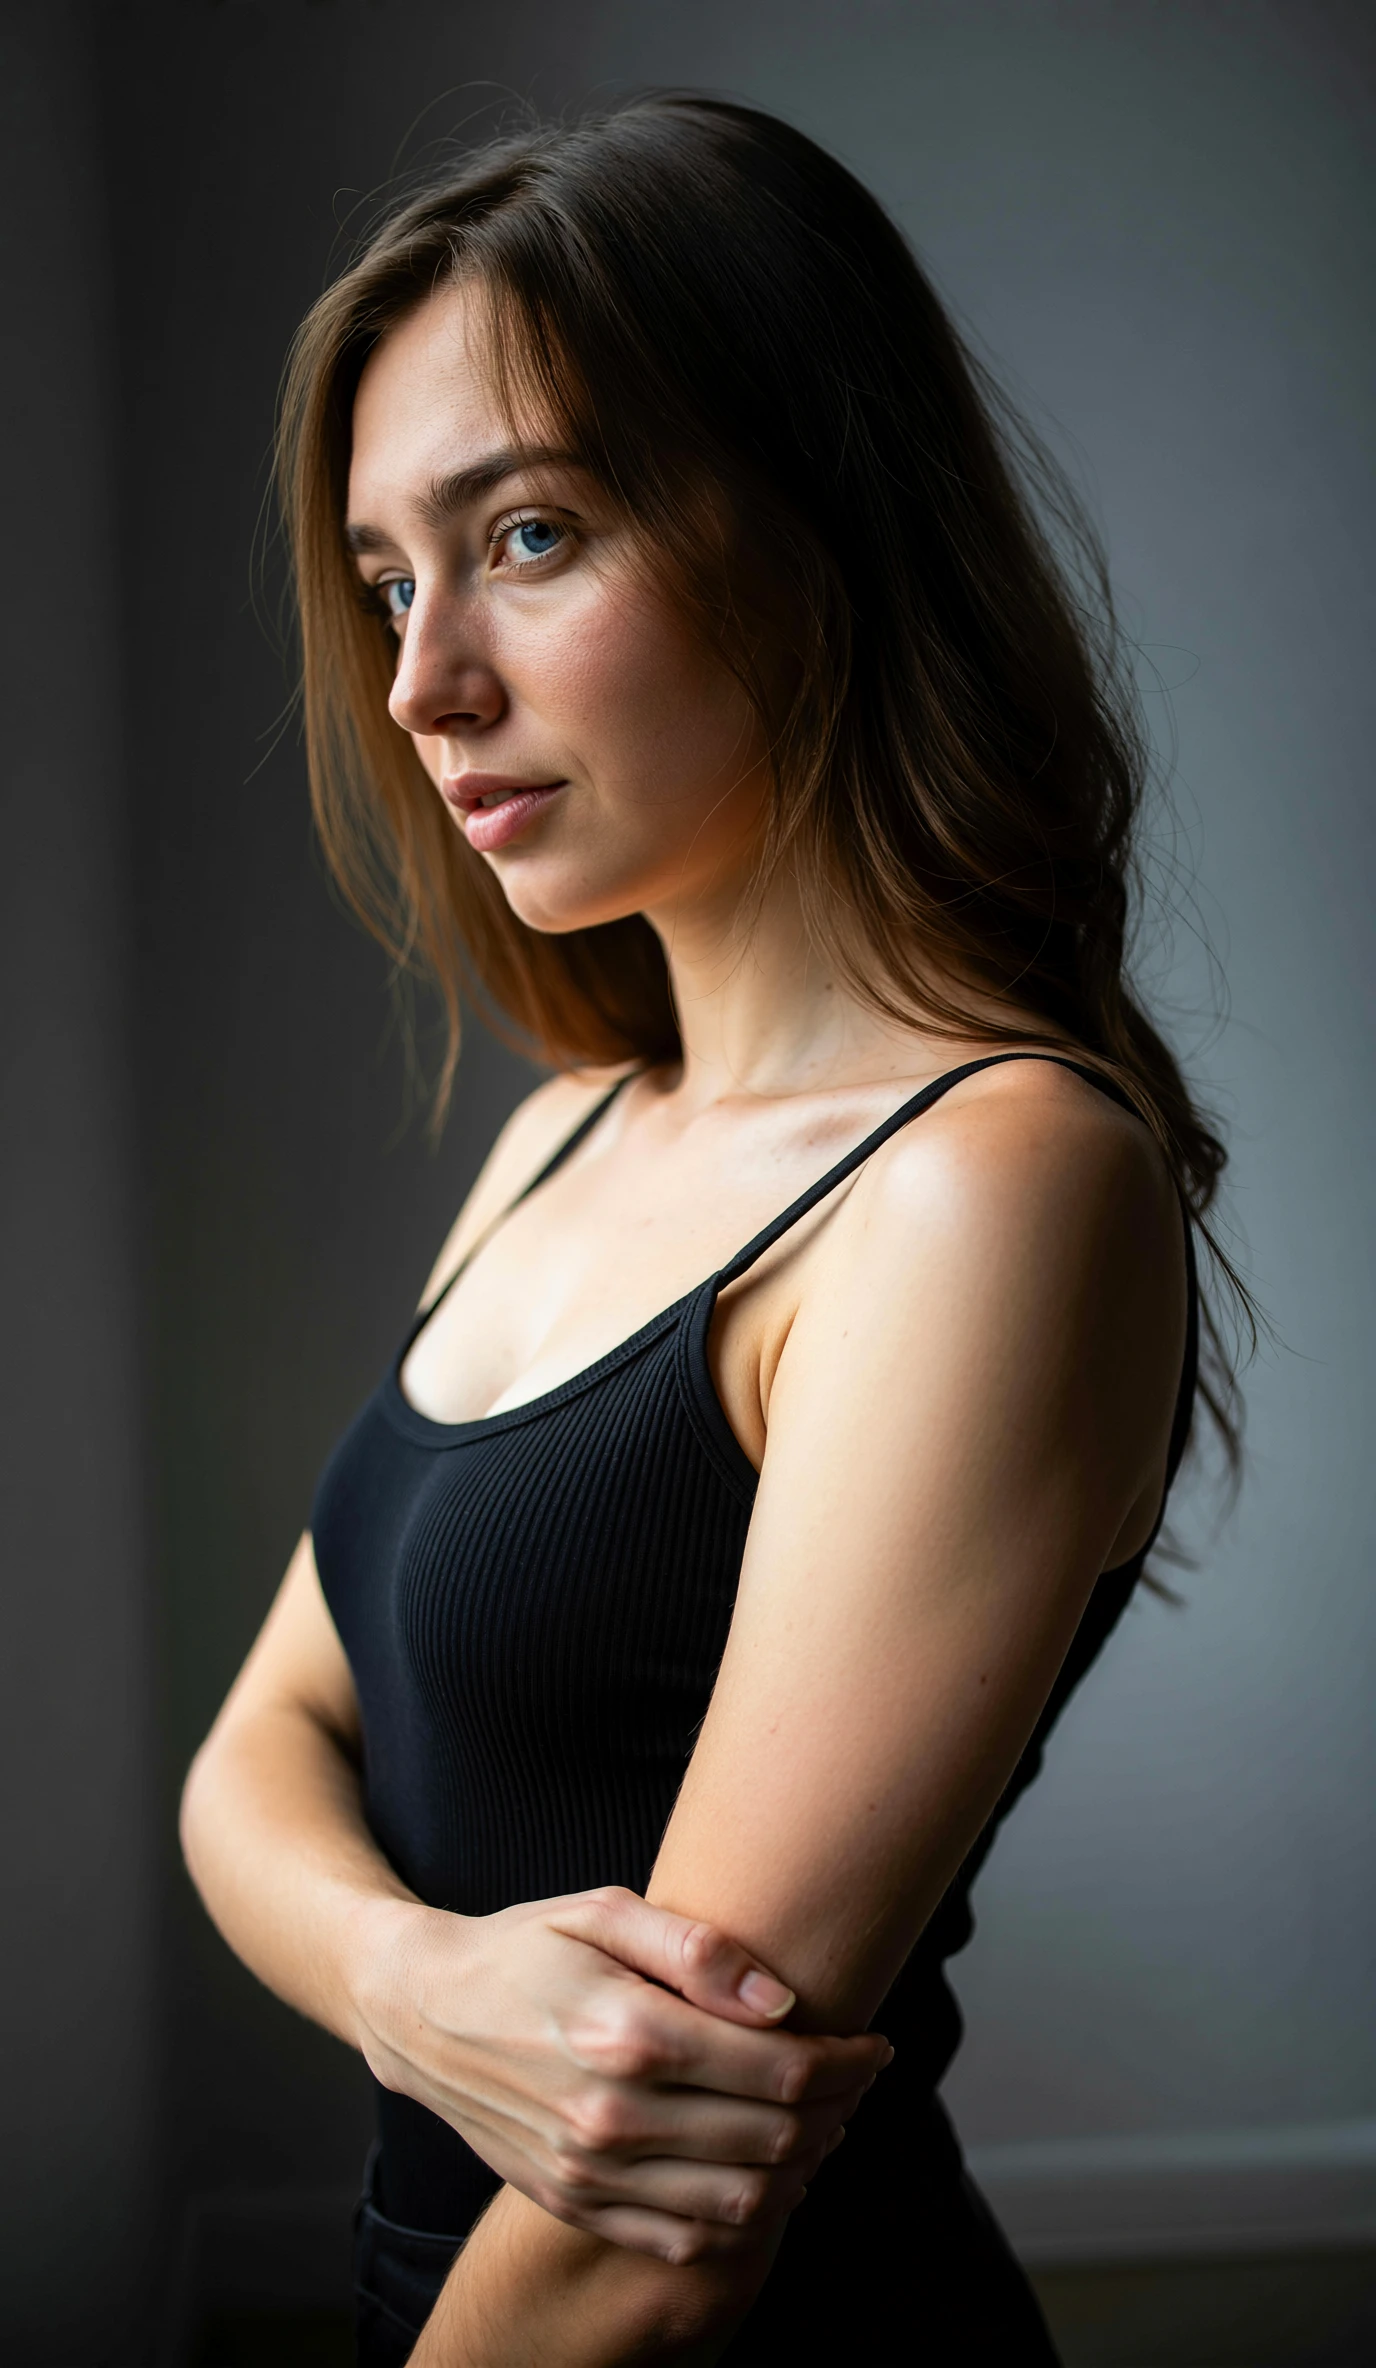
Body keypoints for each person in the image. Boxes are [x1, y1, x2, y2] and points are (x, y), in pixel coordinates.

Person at [182, 94, 1238, 2366]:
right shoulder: (563, 1135)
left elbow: (667, 2198)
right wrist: (422, 1984)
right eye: (386, 578)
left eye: (528, 534)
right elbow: (254, 1740)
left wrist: (431, 1999)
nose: (418, 681)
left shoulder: (991, 1184)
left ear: (813, 529)